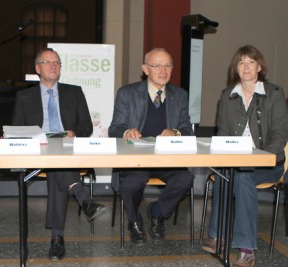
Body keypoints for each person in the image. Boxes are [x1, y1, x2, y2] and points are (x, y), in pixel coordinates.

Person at [12, 48, 105, 260]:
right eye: (48, 62)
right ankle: (82, 199)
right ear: (37, 68)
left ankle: (58, 237)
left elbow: (86, 125)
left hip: (66, 147)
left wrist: (74, 132)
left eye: (57, 62)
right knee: (58, 163)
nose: (54, 65)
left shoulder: (74, 92)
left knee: (58, 167)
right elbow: (17, 129)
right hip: (38, 149)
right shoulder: (24, 96)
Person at [201, 45, 288, 267]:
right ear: (236, 68)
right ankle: (217, 235)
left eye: (251, 62)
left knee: (241, 178)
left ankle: (246, 247)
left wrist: (262, 157)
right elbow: (222, 132)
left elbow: (281, 133)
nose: (246, 66)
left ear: (259, 67)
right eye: (241, 62)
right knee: (226, 175)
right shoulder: (227, 95)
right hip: (236, 161)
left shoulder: (275, 94)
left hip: (268, 163)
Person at [108, 48, 194, 245]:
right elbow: (115, 128)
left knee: (185, 179)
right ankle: (134, 220)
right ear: (145, 69)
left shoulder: (180, 95)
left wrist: (176, 132)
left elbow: (187, 129)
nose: (163, 70)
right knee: (130, 183)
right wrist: (126, 132)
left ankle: (157, 212)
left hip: (167, 158)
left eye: (168, 65)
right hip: (136, 158)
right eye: (157, 66)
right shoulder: (127, 93)